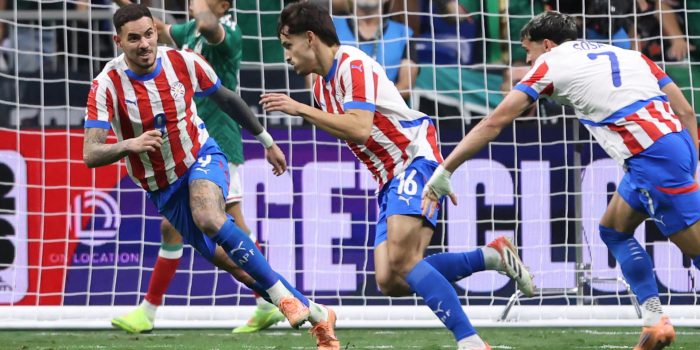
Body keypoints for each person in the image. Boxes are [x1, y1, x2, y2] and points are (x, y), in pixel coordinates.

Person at [260, 3, 534, 350]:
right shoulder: (320, 89)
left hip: (413, 156)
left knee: (405, 261)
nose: (287, 55)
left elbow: (359, 129)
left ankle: (471, 342)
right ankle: (491, 256)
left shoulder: (352, 64)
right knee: (390, 280)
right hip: (389, 176)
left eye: (288, 45)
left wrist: (298, 108)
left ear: (310, 38)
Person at [422, 11, 700, 350]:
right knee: (613, 229)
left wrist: (446, 169)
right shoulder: (632, 55)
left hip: (652, 159)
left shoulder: (551, 61)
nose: (527, 61)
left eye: (528, 52)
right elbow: (686, 111)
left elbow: (495, 122)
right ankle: (654, 319)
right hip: (672, 147)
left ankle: (656, 319)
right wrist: (689, 164)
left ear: (548, 44)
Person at [83, 5, 339, 349]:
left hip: (203, 155)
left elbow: (228, 99)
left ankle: (281, 300)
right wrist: (130, 144)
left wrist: (266, 140)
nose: (144, 44)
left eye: (149, 34)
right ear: (118, 41)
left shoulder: (183, 61)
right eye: (134, 38)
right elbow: (90, 154)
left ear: (155, 32)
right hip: (163, 187)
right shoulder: (106, 86)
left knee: (209, 216)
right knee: (234, 265)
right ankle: (319, 315)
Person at [108, 0, 284, 335]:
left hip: (215, 143)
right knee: (211, 227)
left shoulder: (227, 32)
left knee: (219, 228)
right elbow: (153, 28)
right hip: (186, 145)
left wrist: (203, 8)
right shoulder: (188, 31)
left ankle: (270, 297)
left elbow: (207, 25)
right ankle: (268, 300)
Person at [332, 0, 418, 99]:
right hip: (337, 110)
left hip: (384, 111)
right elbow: (314, 79)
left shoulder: (404, 33)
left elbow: (406, 86)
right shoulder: (331, 25)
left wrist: (364, 101)